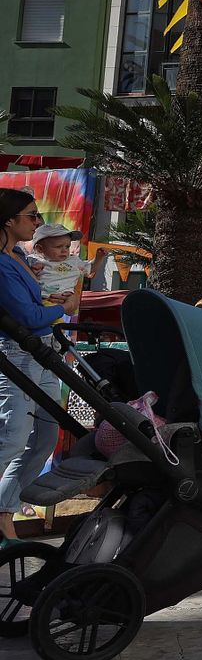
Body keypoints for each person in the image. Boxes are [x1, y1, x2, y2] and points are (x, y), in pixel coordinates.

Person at [0, 190, 71, 544]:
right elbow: (26, 316)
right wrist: (63, 307)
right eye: (32, 216)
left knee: (44, 436)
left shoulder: (15, 255)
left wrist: (48, 297)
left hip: (40, 351)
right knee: (13, 436)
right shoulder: (1, 262)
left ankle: (4, 510)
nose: (38, 222)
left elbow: (31, 304)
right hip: (17, 353)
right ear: (8, 221)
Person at [26, 224, 106, 305]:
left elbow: (90, 269)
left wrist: (99, 257)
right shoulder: (33, 260)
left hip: (66, 301)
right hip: (39, 300)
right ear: (40, 249)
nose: (64, 250)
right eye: (58, 247)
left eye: (67, 246)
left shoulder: (73, 261)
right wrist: (32, 271)